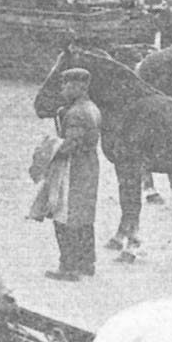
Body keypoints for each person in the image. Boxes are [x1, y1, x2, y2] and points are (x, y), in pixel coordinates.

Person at [45, 68, 102, 281]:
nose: (63, 89)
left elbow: (71, 145)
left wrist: (49, 147)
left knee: (64, 216)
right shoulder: (91, 108)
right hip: (89, 167)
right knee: (85, 216)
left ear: (79, 87)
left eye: (66, 85)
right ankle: (87, 262)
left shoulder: (76, 113)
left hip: (73, 169)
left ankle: (68, 267)